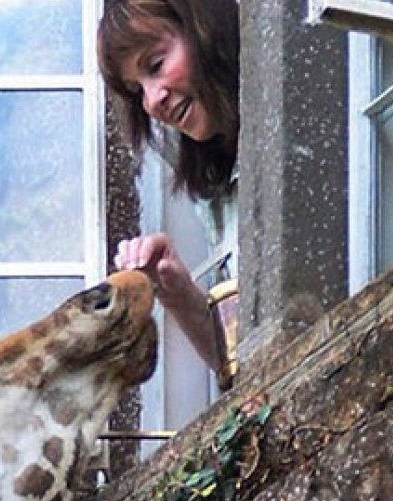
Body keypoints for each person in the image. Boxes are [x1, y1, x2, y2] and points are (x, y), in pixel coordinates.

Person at [98, 0, 241, 383]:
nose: (152, 100)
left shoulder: (290, 135)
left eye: (156, 65)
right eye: (137, 90)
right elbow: (245, 367)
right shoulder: (217, 195)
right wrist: (177, 293)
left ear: (206, 28)